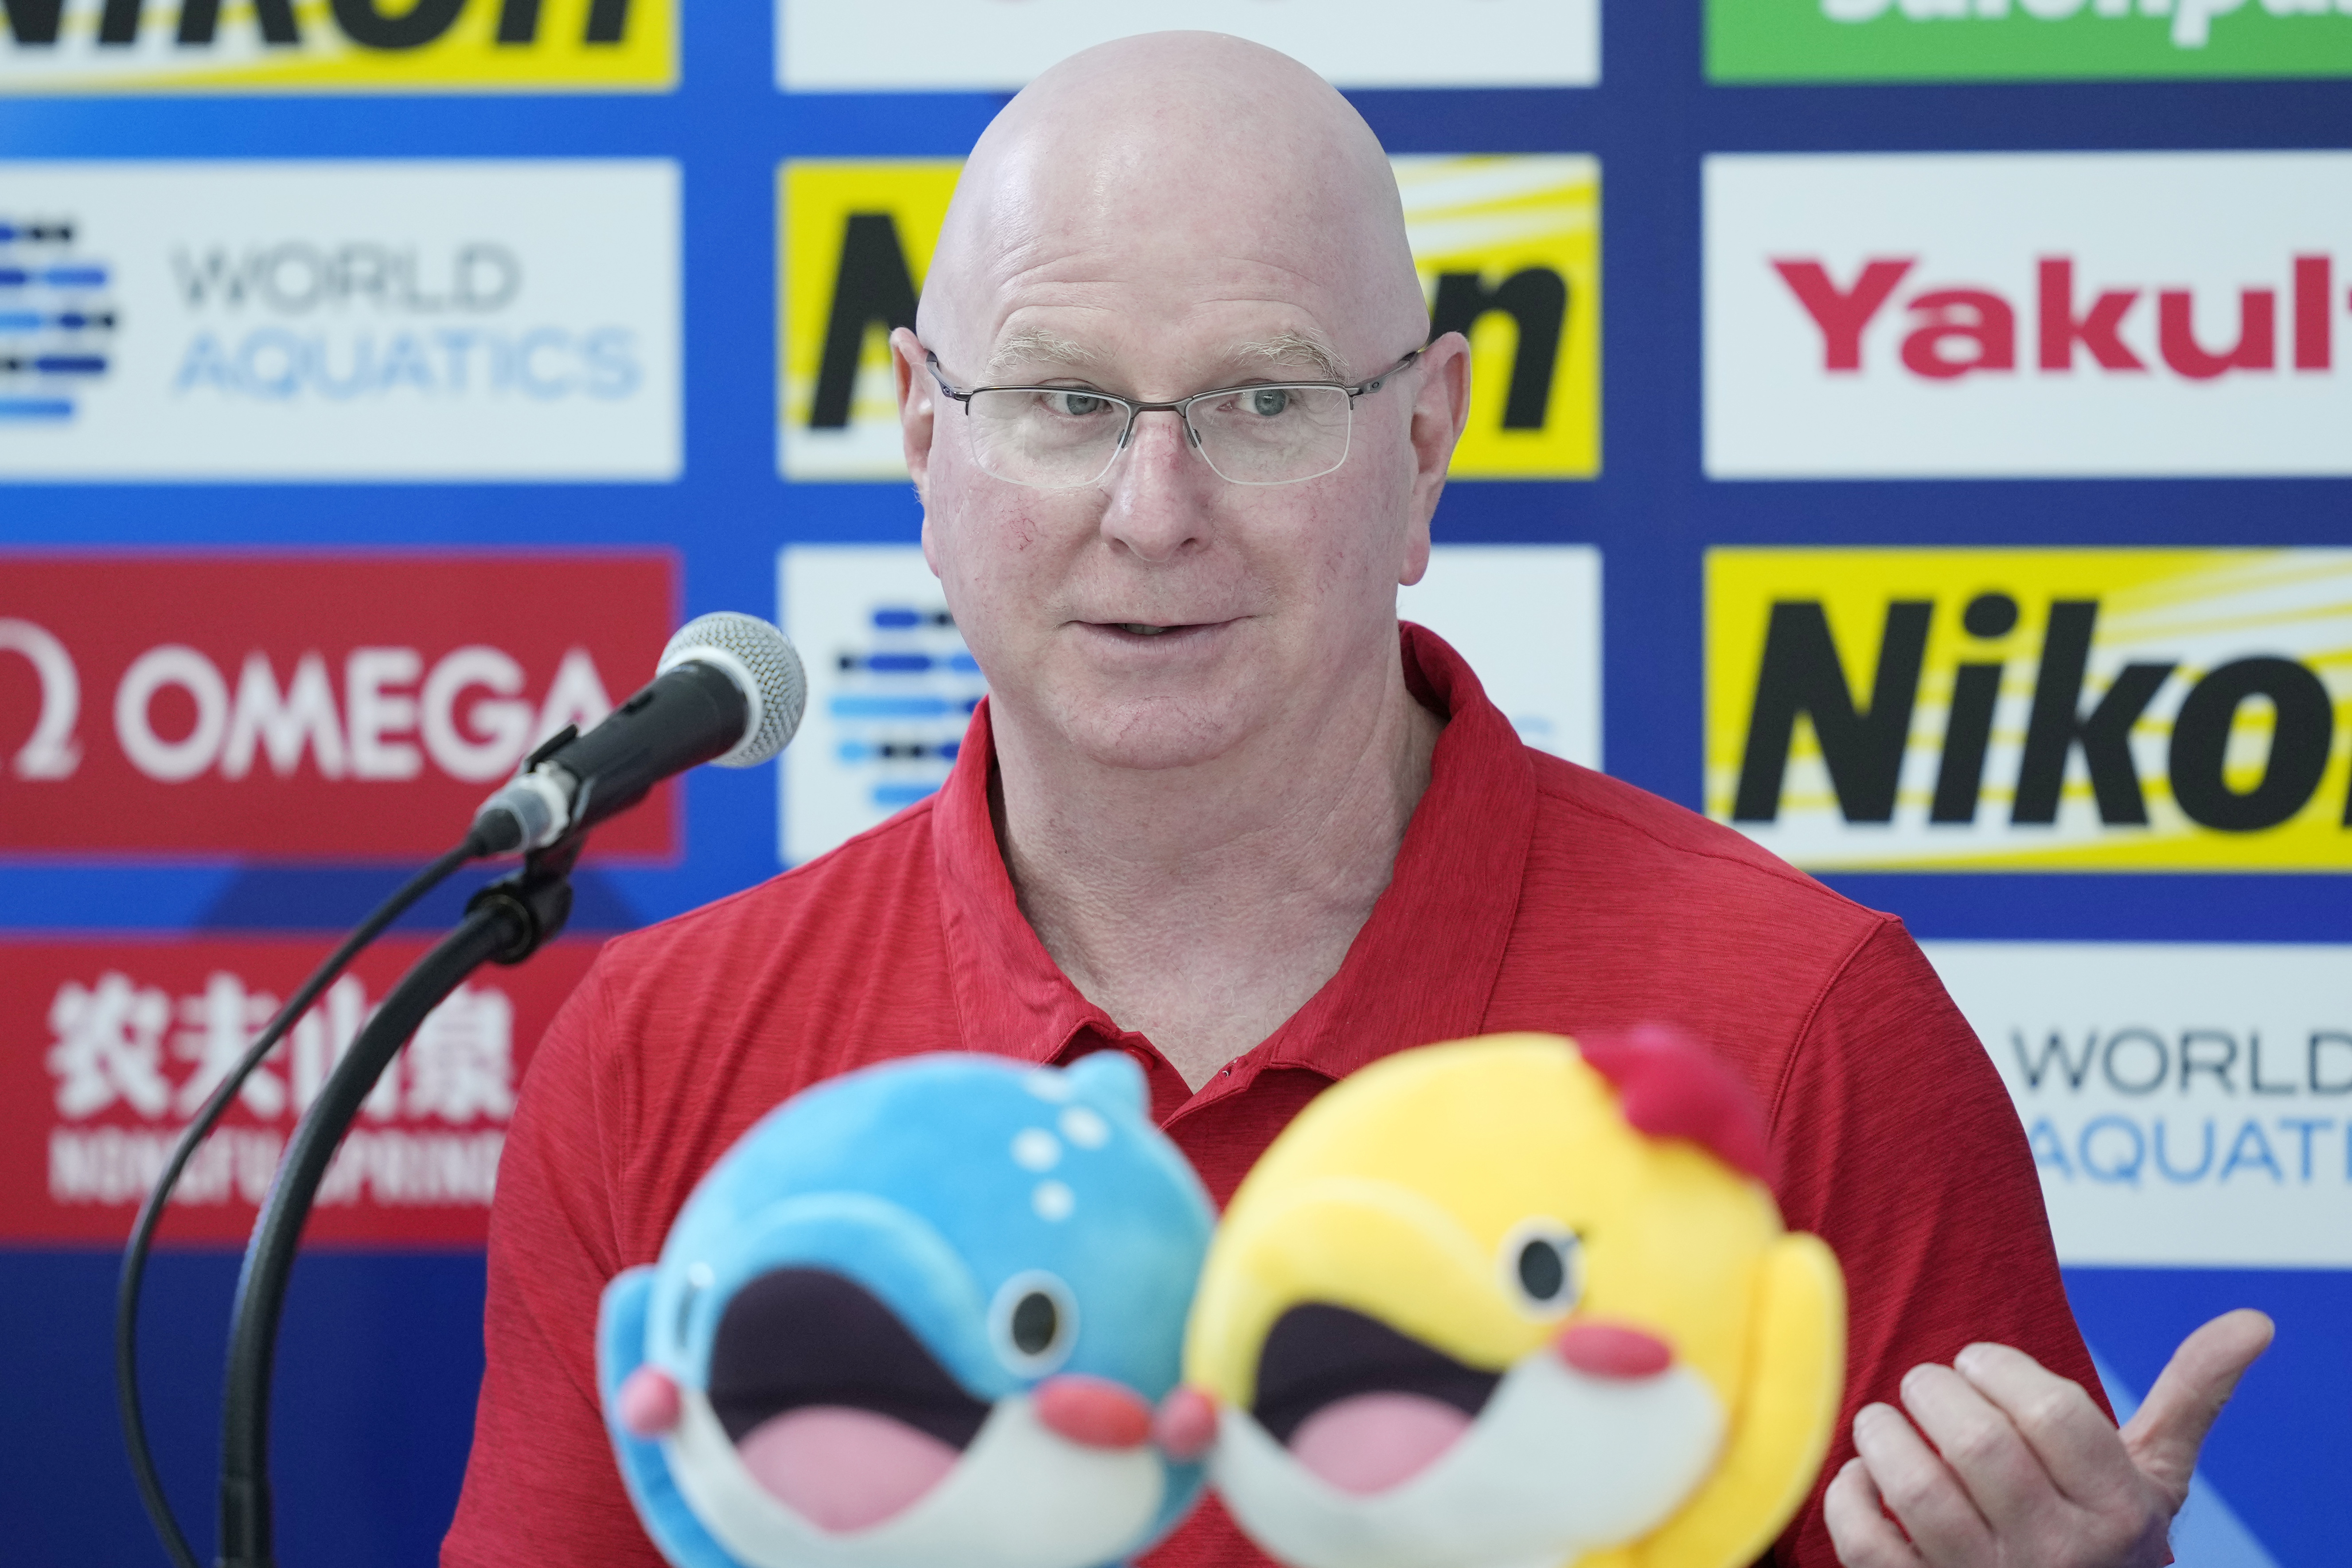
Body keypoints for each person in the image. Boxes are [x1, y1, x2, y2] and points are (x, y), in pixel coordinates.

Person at [441, 31, 2269, 1568]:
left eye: (1262, 402)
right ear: (927, 438)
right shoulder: (665, 1053)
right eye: (1066, 400)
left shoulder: (1802, 1028)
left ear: (1422, 440)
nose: (1153, 511)